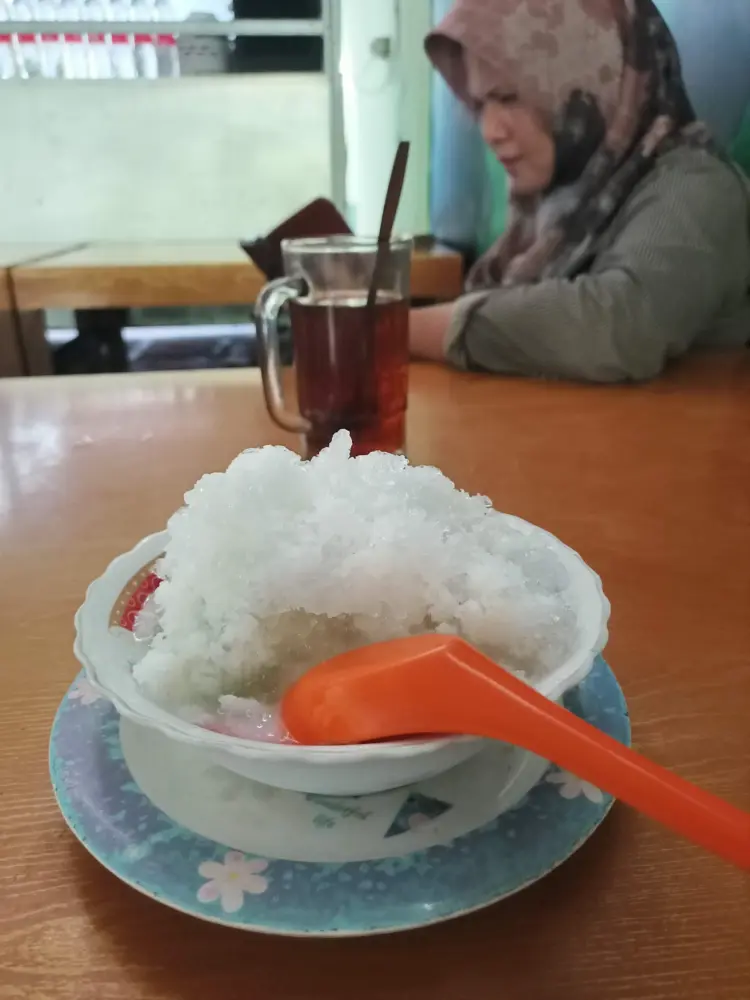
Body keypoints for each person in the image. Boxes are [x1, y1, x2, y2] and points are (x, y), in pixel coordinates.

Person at [411, 0, 750, 382]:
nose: (490, 130)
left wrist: (400, 331)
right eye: (480, 104)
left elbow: (619, 328)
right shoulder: (561, 199)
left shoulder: (697, 187)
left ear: (592, 80)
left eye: (507, 97)